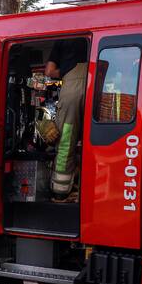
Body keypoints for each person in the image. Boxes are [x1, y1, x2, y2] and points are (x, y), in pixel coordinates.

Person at [43, 39, 87, 202]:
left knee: (66, 139)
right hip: (99, 85)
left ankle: (60, 191)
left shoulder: (63, 39)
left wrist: (64, 72)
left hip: (73, 87)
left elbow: (49, 71)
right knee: (94, 139)